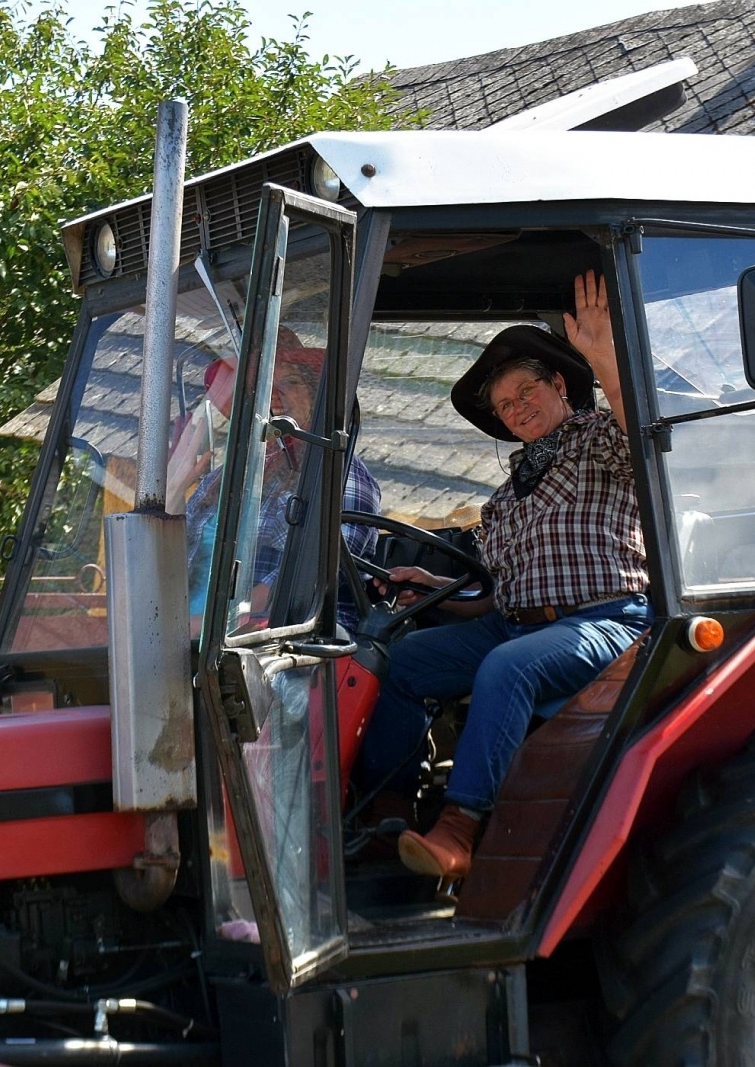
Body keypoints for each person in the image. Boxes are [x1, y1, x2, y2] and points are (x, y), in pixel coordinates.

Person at [355, 271, 651, 880]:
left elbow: (639, 431)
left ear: (560, 385)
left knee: (507, 667)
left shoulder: (597, 439)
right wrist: (431, 588)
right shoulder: (503, 500)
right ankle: (387, 813)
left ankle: (461, 828)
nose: (517, 410)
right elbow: (493, 596)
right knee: (401, 661)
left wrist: (606, 360)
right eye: (506, 406)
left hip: (606, 619)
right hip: (514, 625)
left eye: (525, 393)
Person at [181, 331, 381, 630]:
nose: (274, 396)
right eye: (262, 387)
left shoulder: (338, 472)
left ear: (315, 393)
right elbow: (171, 557)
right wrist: (173, 489)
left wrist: (196, 628)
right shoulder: (223, 478)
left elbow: (311, 572)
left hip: (289, 645)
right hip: (197, 636)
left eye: (289, 382)